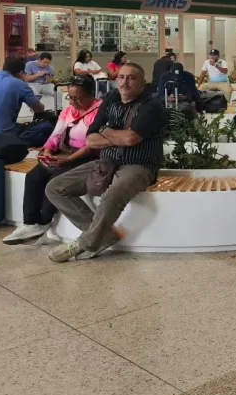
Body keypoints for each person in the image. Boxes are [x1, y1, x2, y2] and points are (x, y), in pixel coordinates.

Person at [45, 63, 169, 262]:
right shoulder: (110, 99)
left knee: (112, 195)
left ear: (142, 83)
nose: (125, 82)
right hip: (107, 161)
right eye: (121, 77)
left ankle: (84, 244)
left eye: (132, 78)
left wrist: (105, 131)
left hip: (139, 165)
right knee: (55, 187)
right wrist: (118, 137)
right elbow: (90, 140)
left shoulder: (152, 106)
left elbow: (131, 139)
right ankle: (102, 235)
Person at [2, 76, 102, 245]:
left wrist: (68, 159)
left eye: (78, 98)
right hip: (66, 153)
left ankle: (43, 222)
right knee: (34, 176)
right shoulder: (68, 111)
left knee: (56, 179)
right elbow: (56, 134)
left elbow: (92, 145)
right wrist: (48, 151)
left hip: (87, 156)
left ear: (91, 95)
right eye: (70, 97)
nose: (73, 102)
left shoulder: (100, 111)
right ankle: (30, 223)